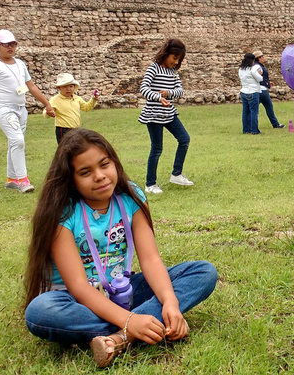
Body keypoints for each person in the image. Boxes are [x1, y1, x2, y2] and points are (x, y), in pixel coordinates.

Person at [23, 129, 217, 368]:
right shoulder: (61, 213)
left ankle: (120, 338)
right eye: (85, 172)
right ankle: (145, 325)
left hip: (122, 290)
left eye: (104, 164)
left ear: (114, 162)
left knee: (203, 272)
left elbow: (151, 260)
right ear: (70, 180)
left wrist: (170, 302)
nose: (100, 176)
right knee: (40, 312)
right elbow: (79, 287)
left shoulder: (131, 197)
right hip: (74, 300)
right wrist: (130, 321)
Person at [0, 29, 55, 193]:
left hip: (21, 108)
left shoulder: (20, 64)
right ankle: (23, 180)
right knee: (18, 140)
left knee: (15, 142)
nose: (11, 47)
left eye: (13, 44)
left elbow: (31, 86)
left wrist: (47, 104)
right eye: (7, 44)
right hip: (3, 108)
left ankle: (12, 178)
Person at [138, 39, 193, 195]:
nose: (175, 62)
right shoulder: (153, 68)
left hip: (169, 113)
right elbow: (144, 88)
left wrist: (169, 93)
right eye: (174, 58)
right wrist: (157, 97)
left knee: (184, 139)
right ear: (166, 53)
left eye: (178, 60)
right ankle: (150, 184)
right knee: (157, 149)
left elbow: (180, 90)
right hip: (153, 114)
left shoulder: (173, 72)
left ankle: (176, 174)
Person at [45, 73, 98, 144]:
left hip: (76, 129)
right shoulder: (55, 100)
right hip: (63, 129)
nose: (68, 89)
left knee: (77, 148)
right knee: (65, 149)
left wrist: (93, 99)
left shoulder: (77, 98)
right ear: (59, 88)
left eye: (71, 86)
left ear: (74, 87)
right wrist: (48, 113)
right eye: (65, 87)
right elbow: (47, 111)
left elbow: (86, 108)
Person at [252, 50, 284, 129]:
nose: (263, 58)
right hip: (262, 90)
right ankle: (275, 123)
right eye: (262, 57)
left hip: (257, 89)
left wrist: (268, 82)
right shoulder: (258, 67)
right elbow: (259, 77)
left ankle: (250, 124)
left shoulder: (256, 66)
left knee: (253, 109)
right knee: (268, 106)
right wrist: (266, 83)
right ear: (259, 58)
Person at [238, 53, 263, 134]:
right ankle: (254, 130)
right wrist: (260, 75)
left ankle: (246, 129)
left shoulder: (241, 69)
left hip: (244, 91)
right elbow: (259, 79)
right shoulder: (252, 69)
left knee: (245, 112)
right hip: (253, 91)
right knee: (254, 112)